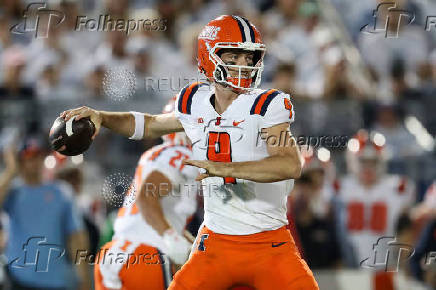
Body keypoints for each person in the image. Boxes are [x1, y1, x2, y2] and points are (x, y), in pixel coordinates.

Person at [61, 15, 319, 289]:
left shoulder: (268, 104)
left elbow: (290, 165)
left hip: (269, 242)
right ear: (209, 57)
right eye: (233, 57)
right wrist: (101, 115)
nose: (244, 66)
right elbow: (147, 124)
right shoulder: (193, 101)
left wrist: (228, 169)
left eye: (249, 58)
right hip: (216, 242)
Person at [93, 98, 198, 289]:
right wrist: (172, 239)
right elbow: (146, 196)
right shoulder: (182, 154)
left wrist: (192, 246)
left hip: (116, 252)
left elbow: (164, 214)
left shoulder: (156, 153)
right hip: (145, 255)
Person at [0, 137, 91, 290]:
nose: (34, 162)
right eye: (29, 157)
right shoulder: (13, 193)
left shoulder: (61, 193)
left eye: (38, 156)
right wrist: (10, 171)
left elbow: (76, 237)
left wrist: (84, 277)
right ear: (21, 161)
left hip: (55, 281)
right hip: (17, 280)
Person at [336, 129, 415, 290]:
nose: (368, 167)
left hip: (386, 264)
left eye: (373, 162)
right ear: (353, 161)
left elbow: (407, 228)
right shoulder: (340, 187)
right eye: (363, 161)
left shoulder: (398, 187)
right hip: (348, 263)